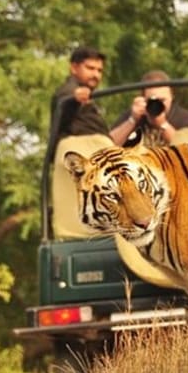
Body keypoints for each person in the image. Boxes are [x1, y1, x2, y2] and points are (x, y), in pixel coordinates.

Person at [50, 46, 137, 238]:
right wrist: (75, 97)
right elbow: (63, 101)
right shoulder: (69, 92)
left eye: (99, 70)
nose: (96, 74)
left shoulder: (88, 99)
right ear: (74, 68)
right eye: (90, 68)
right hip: (85, 158)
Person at [112, 70, 188, 147]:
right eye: (151, 100)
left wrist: (163, 125)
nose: (157, 104)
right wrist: (132, 121)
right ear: (142, 98)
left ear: (172, 96)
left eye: (162, 100)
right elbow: (108, 146)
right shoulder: (134, 115)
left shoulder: (184, 118)